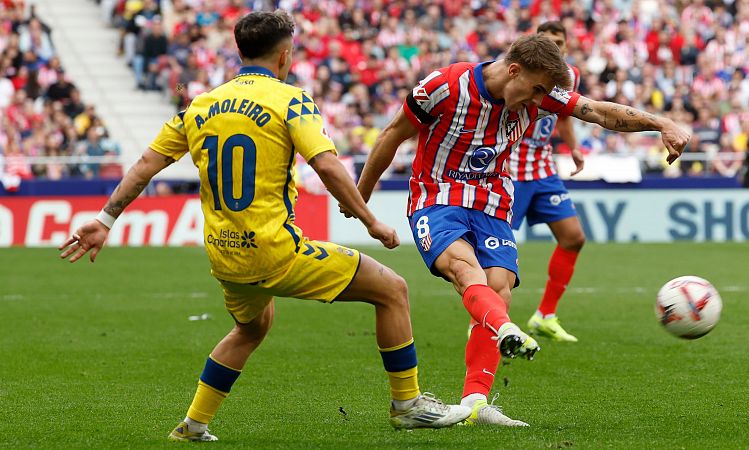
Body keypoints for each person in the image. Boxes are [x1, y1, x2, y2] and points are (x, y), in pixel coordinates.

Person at [59, 10, 470, 442]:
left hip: (224, 254)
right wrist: (370, 220)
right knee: (392, 290)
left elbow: (146, 164)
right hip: (275, 250)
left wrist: (106, 218)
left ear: (240, 51)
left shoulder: (200, 105)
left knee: (251, 327)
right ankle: (407, 405)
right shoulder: (290, 100)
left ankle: (193, 425)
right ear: (285, 54)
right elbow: (326, 164)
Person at [349, 34, 689, 427]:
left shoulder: (542, 94)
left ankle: (476, 403)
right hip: (437, 197)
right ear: (514, 70)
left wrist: (660, 122)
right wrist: (361, 198)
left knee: (499, 287)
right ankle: (506, 329)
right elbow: (393, 132)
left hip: (493, 200)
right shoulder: (445, 85)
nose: (540, 101)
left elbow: (597, 112)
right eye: (537, 89)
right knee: (465, 272)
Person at [507, 21, 585, 343]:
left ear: (566, 47)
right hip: (510, 171)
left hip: (544, 168)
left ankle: (545, 315)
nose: (555, 47)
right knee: (497, 254)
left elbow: (564, 116)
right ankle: (488, 322)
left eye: (560, 42)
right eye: (548, 42)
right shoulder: (524, 75)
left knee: (573, 237)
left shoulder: (570, 77)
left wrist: (574, 147)